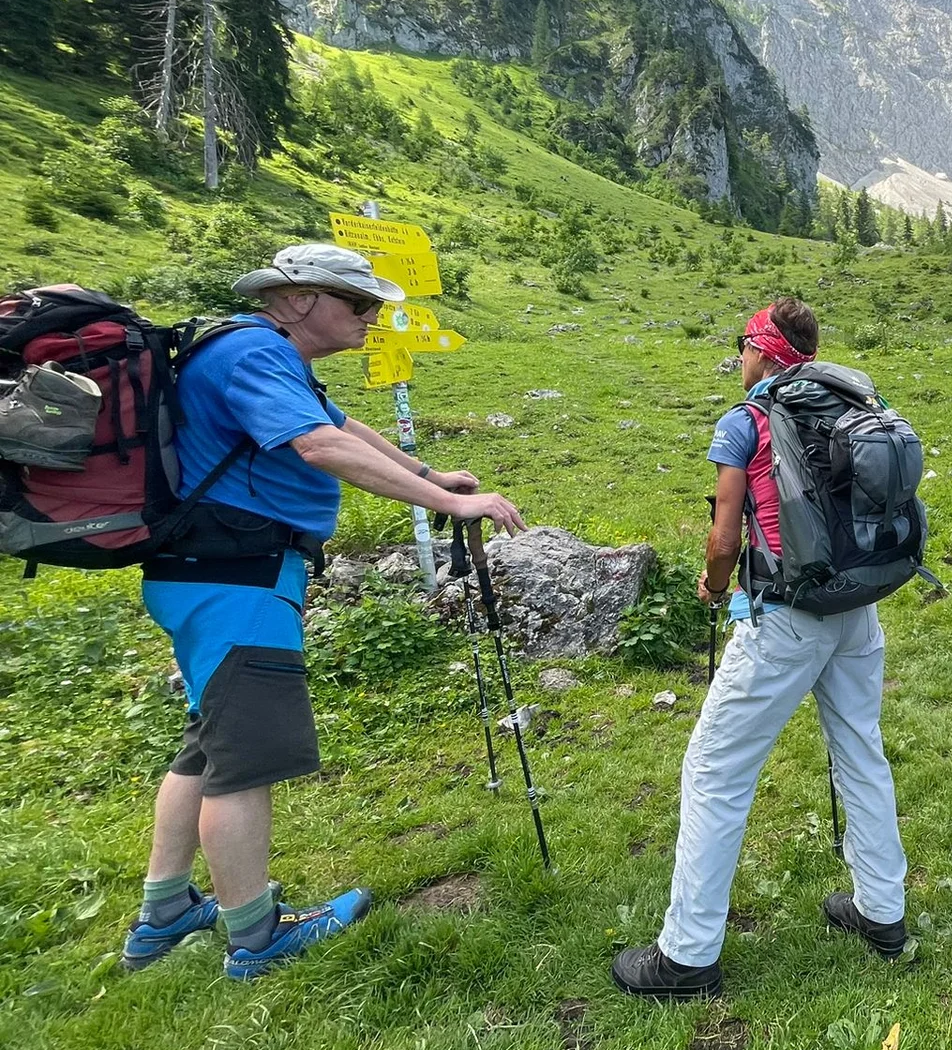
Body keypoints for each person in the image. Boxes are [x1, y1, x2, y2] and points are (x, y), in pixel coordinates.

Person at [121, 244, 526, 980]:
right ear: (300, 297)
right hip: (234, 578)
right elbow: (319, 445)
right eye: (357, 303)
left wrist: (427, 470)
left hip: (212, 574)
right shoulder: (252, 354)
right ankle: (256, 936)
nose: (370, 317)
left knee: (206, 744)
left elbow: (343, 425)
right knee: (241, 761)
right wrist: (450, 502)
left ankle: (166, 912)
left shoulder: (267, 355)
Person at [612, 298, 910, 1000]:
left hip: (785, 616)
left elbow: (723, 540)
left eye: (743, 341)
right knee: (861, 751)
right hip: (859, 606)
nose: (737, 355)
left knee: (715, 769)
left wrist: (715, 588)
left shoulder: (746, 420)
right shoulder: (856, 404)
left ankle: (686, 955)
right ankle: (882, 913)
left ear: (768, 351)